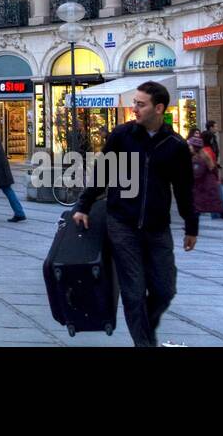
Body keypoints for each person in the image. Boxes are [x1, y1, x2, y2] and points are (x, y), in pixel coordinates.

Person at [74, 81, 197, 347]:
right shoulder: (122, 135)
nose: (135, 109)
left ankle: (145, 330)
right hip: (122, 223)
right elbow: (103, 173)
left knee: (165, 289)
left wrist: (191, 226)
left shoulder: (175, 145)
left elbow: (185, 189)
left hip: (157, 227)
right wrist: (83, 205)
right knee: (133, 290)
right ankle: (143, 344)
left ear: (159, 108)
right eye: (135, 103)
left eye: (141, 104)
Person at [188, 132, 223, 236]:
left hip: (206, 189)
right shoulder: (200, 157)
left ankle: (191, 228)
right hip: (206, 188)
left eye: (190, 145)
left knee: (198, 209)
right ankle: (191, 227)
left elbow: (197, 174)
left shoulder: (199, 159)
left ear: (195, 147)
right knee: (202, 209)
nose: (189, 147)